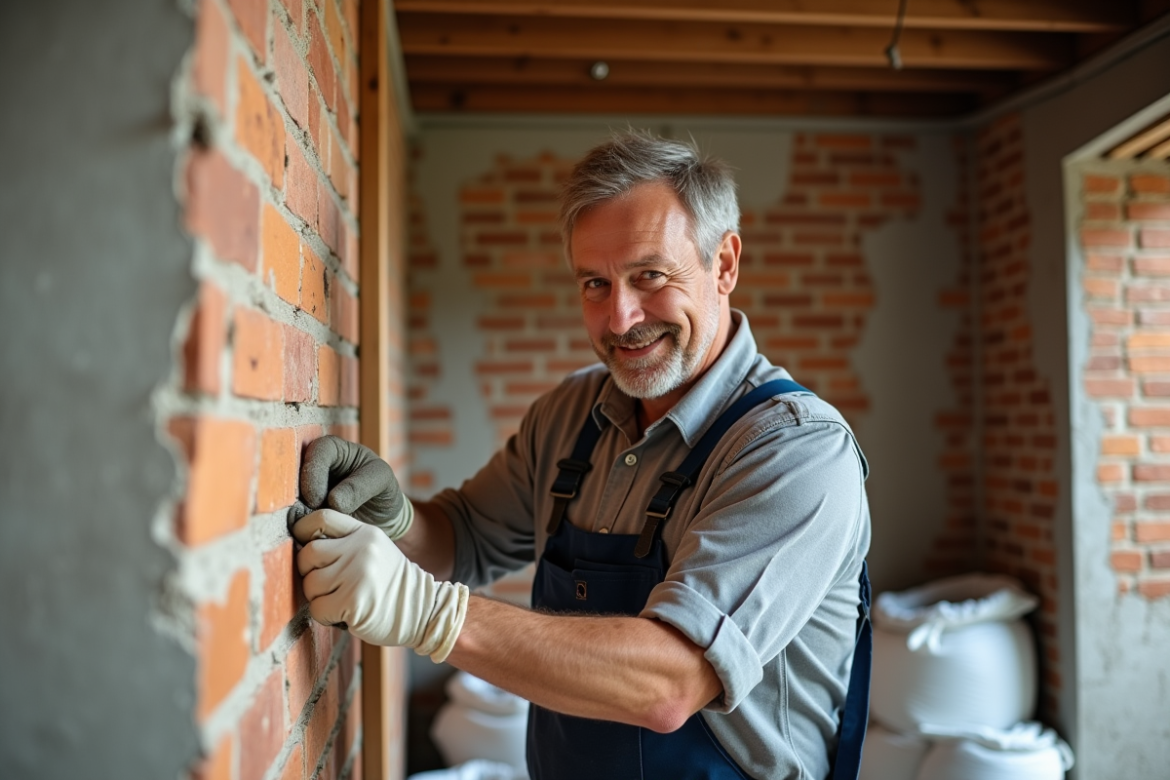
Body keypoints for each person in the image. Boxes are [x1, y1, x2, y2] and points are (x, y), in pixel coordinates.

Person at [288, 131, 873, 780]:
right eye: (595, 283)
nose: (620, 318)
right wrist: (396, 519)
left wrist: (427, 614)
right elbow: (464, 539)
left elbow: (672, 681)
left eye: (650, 276)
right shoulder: (570, 416)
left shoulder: (797, 451)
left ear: (725, 264)